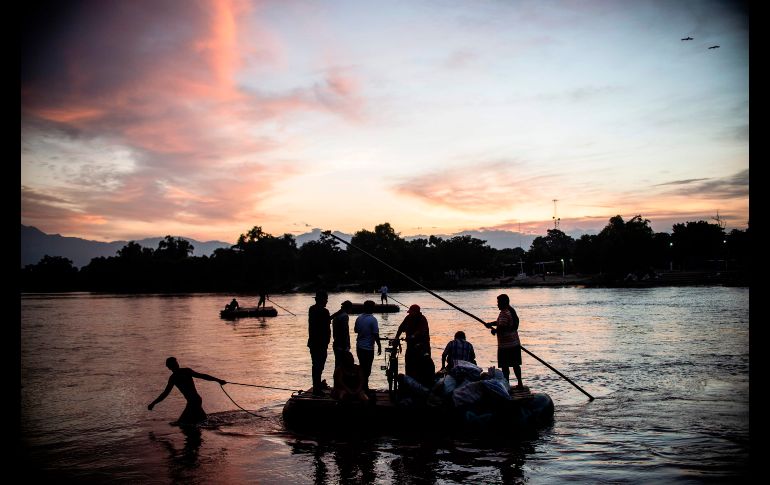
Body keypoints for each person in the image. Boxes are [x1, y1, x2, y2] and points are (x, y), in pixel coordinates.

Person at [148, 356, 226, 425]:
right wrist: (153, 403)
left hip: (193, 402)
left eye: (176, 364)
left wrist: (218, 380)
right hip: (195, 401)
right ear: (169, 367)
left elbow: (202, 376)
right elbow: (165, 393)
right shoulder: (174, 378)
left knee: (181, 424)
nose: (176, 366)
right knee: (203, 421)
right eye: (173, 365)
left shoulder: (185, 372)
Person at [485, 293, 524, 388]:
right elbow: (501, 323)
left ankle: (506, 385)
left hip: (505, 346)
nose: (497, 304)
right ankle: (520, 383)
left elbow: (501, 327)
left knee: (505, 367)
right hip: (514, 344)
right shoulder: (510, 311)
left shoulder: (503, 313)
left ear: (503, 303)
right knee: (515, 365)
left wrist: (494, 330)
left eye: (498, 302)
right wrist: (491, 324)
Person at [394, 304, 431, 380]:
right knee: (409, 365)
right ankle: (409, 381)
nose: (409, 314)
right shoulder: (408, 318)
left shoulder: (422, 319)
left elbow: (421, 331)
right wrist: (396, 337)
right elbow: (401, 327)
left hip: (422, 347)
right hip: (410, 346)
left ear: (416, 312)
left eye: (411, 312)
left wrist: (412, 336)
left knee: (422, 366)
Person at [307, 290, 331, 396]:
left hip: (313, 342)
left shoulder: (311, 309)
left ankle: (316, 386)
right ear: (322, 300)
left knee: (316, 365)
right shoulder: (324, 311)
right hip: (321, 343)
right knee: (319, 365)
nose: (326, 301)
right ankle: (317, 389)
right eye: (326, 299)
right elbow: (326, 326)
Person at [354, 300, 381, 390]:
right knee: (367, 369)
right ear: (371, 308)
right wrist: (379, 345)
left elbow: (356, 330)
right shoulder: (373, 320)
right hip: (368, 348)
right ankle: (364, 386)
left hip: (359, 347)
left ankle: (362, 386)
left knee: (362, 367)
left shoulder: (359, 318)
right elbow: (376, 334)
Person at [331, 300, 353, 368]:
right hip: (342, 345)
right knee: (343, 365)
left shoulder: (336, 316)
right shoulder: (344, 316)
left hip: (336, 343)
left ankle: (336, 378)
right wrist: (346, 346)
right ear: (348, 308)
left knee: (337, 365)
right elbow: (345, 332)